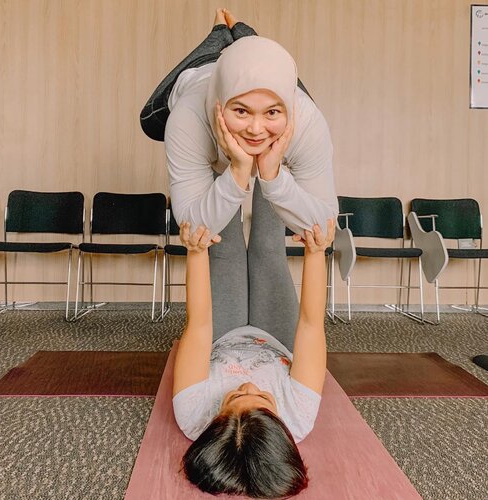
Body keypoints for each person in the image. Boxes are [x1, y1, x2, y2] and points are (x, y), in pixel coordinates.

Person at [173, 183, 334, 498]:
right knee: (267, 246)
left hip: (221, 333)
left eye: (232, 399)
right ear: (282, 426)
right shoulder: (299, 416)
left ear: (213, 422)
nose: (247, 387)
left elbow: (200, 326)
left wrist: (195, 250)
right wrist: (317, 252)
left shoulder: (193, 415)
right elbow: (312, 326)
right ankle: (273, 155)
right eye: (263, 398)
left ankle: (233, 155)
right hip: (276, 335)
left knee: (224, 244)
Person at [140, 8, 338, 242]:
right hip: (201, 73)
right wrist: (238, 170)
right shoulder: (187, 119)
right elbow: (192, 230)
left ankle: (247, 38)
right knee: (149, 120)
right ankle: (218, 35)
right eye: (241, 111)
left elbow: (324, 227)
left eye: (272, 112)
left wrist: (273, 177)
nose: (255, 129)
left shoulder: (307, 121)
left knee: (266, 60)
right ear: (221, 107)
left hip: (260, 82)